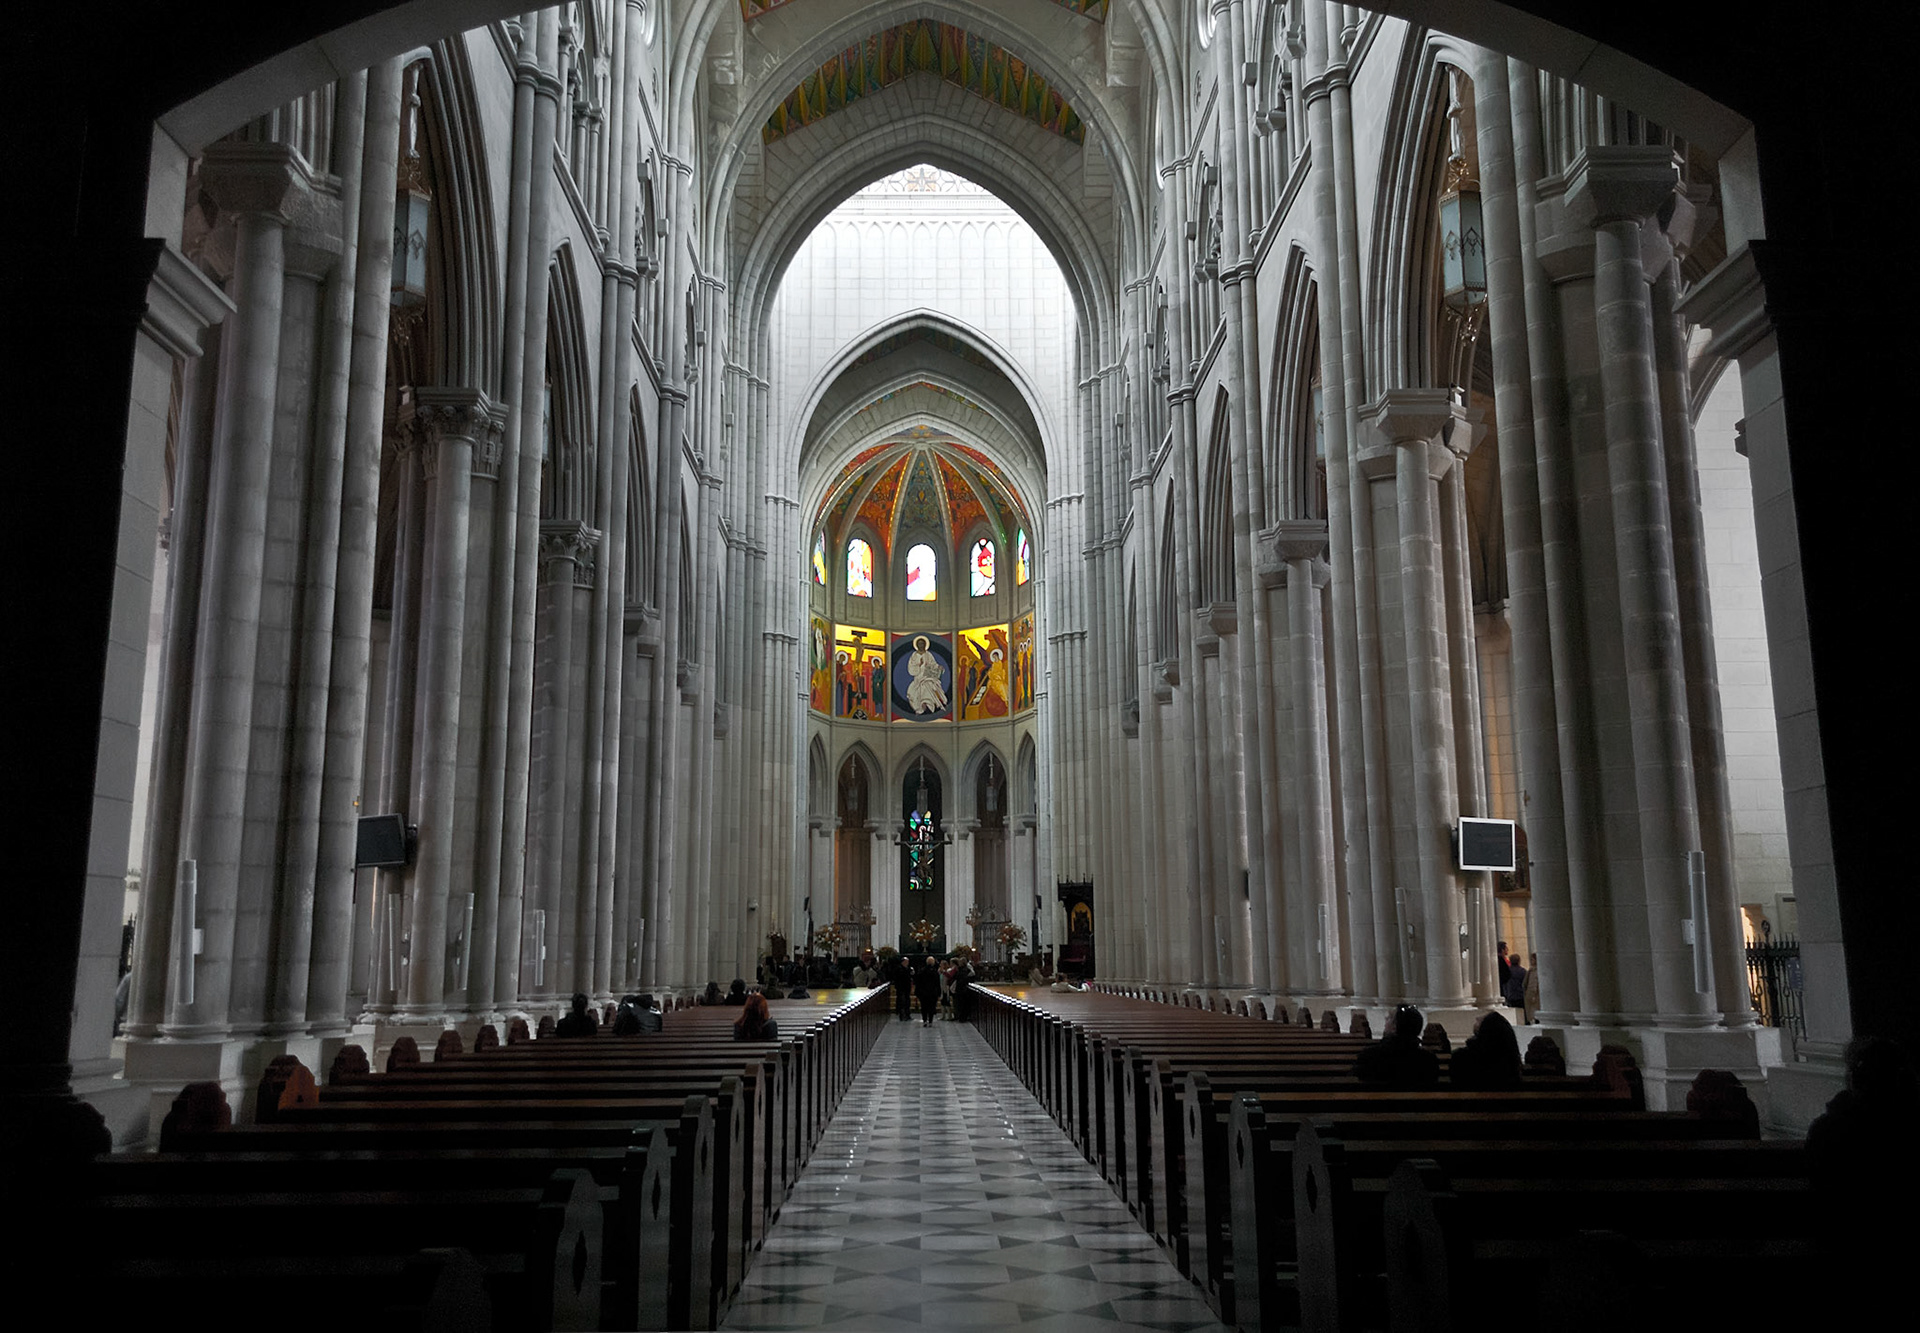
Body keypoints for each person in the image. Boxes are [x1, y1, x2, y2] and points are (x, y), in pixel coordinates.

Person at [1352, 1004, 1440, 1087]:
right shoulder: (1428, 1060)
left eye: (1389, 1018)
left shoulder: (1369, 1056)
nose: (1385, 1019)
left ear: (1395, 1027)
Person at [1449, 1010, 1522, 1089]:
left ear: (1485, 1029)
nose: (1477, 1018)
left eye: (1482, 1019)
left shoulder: (1460, 1058)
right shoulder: (1509, 1058)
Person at [914, 955, 942, 1025]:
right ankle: (930, 1020)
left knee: (924, 1007)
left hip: (923, 992)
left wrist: (917, 992)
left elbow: (918, 982)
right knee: (932, 1007)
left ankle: (925, 1020)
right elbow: (937, 983)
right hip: (932, 993)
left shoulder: (922, 971)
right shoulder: (935, 972)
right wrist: (938, 992)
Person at [890, 954, 914, 1021]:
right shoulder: (899, 969)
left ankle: (907, 1014)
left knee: (907, 1001)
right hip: (901, 987)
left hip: (907, 987)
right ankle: (902, 1015)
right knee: (902, 1001)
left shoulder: (908, 969)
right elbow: (898, 978)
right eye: (906, 962)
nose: (907, 963)